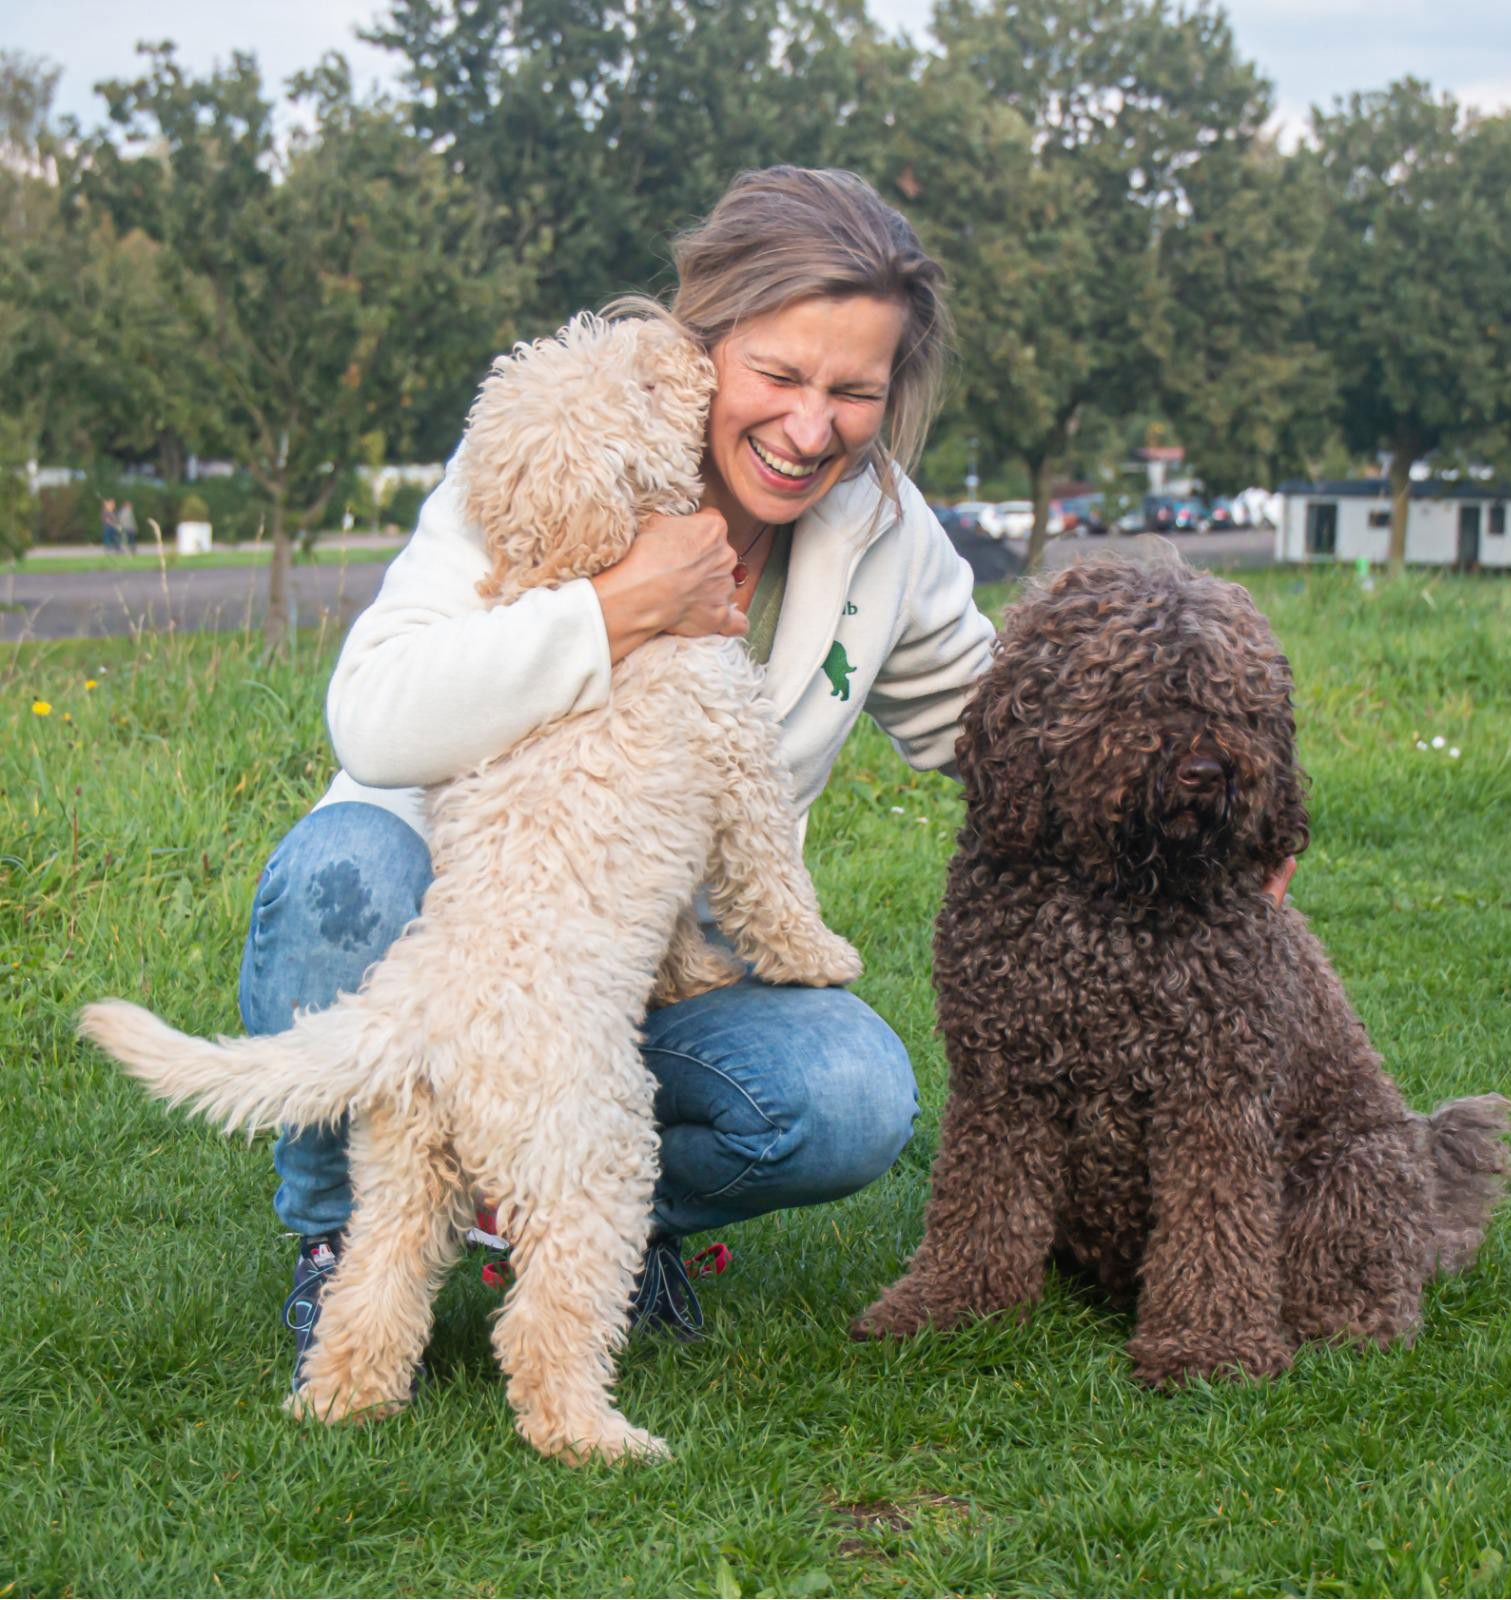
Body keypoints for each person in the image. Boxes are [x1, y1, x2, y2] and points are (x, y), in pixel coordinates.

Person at [242, 165, 1295, 1386]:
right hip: (447, 912)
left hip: (649, 960)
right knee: (341, 868)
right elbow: (371, 718)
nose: (811, 428)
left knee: (852, 1095)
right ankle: (339, 1233)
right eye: (781, 376)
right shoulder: (554, 450)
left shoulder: (889, 533)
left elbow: (1006, 719)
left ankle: (608, 1222)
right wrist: (612, 612)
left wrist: (1212, 795)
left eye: (853, 391)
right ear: (706, 345)